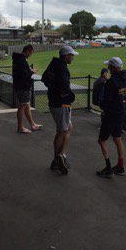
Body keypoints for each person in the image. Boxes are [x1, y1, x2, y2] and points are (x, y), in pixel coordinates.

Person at [43, 46, 78, 174]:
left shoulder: (54, 64)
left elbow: (45, 78)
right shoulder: (62, 68)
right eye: (71, 55)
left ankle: (59, 157)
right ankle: (59, 158)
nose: (73, 57)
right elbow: (64, 87)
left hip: (54, 101)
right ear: (66, 56)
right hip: (61, 104)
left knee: (68, 128)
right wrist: (70, 96)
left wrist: (53, 89)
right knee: (62, 130)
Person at [96, 57, 126, 178]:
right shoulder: (125, 80)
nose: (108, 69)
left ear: (114, 68)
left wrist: (102, 105)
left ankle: (108, 167)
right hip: (121, 114)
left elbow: (106, 100)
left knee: (101, 140)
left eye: (110, 66)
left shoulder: (111, 82)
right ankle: (120, 166)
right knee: (117, 138)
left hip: (111, 115)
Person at [11, 45, 41, 133]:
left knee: (27, 106)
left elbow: (22, 71)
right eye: (31, 52)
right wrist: (31, 71)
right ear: (28, 51)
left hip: (20, 85)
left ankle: (32, 124)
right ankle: (20, 127)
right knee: (22, 106)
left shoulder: (19, 59)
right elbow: (24, 75)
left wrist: (29, 70)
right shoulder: (21, 60)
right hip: (23, 86)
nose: (31, 54)